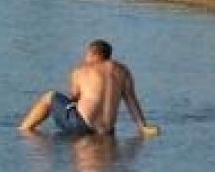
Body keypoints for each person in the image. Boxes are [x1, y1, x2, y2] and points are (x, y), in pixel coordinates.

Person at [19, 39, 160, 137]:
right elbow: (131, 100)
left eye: (86, 54)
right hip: (107, 130)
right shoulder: (123, 70)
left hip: (81, 127)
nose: (85, 57)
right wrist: (142, 126)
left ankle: (24, 130)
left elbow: (74, 99)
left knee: (49, 96)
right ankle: (141, 128)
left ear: (92, 54)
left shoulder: (82, 70)